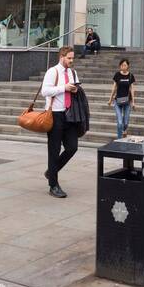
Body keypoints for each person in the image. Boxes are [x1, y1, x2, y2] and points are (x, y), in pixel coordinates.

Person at [41, 46, 89, 197]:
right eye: (69, 58)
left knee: (72, 147)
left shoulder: (73, 72)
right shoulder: (52, 72)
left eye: (72, 58)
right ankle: (53, 185)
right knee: (54, 151)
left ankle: (51, 171)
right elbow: (45, 91)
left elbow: (76, 90)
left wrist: (75, 89)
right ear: (62, 57)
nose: (71, 60)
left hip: (70, 115)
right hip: (55, 115)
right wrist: (64, 88)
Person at [107, 57, 136, 140]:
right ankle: (120, 139)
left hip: (127, 102)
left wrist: (133, 102)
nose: (123, 67)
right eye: (122, 65)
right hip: (117, 101)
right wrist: (110, 99)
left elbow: (132, 89)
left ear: (128, 66)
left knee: (125, 122)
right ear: (120, 66)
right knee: (120, 122)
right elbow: (114, 87)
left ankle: (124, 130)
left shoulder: (130, 76)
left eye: (125, 65)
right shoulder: (117, 75)